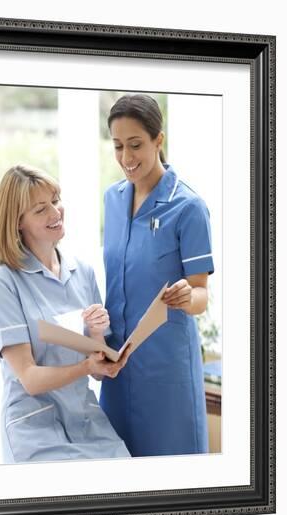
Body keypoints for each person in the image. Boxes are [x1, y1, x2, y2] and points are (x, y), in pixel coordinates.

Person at [0, 164, 131, 463]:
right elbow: (30, 378)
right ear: (17, 222)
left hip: (86, 419)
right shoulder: (2, 282)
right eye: (40, 209)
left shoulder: (82, 271)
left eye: (56, 199)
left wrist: (99, 337)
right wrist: (86, 368)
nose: (55, 212)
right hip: (34, 427)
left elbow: (98, 365)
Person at [100, 94, 214, 457]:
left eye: (135, 145)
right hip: (118, 367)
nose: (126, 158)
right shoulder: (112, 200)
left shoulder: (189, 208)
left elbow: (201, 295)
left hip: (167, 374)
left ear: (158, 140)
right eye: (118, 146)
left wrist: (186, 294)